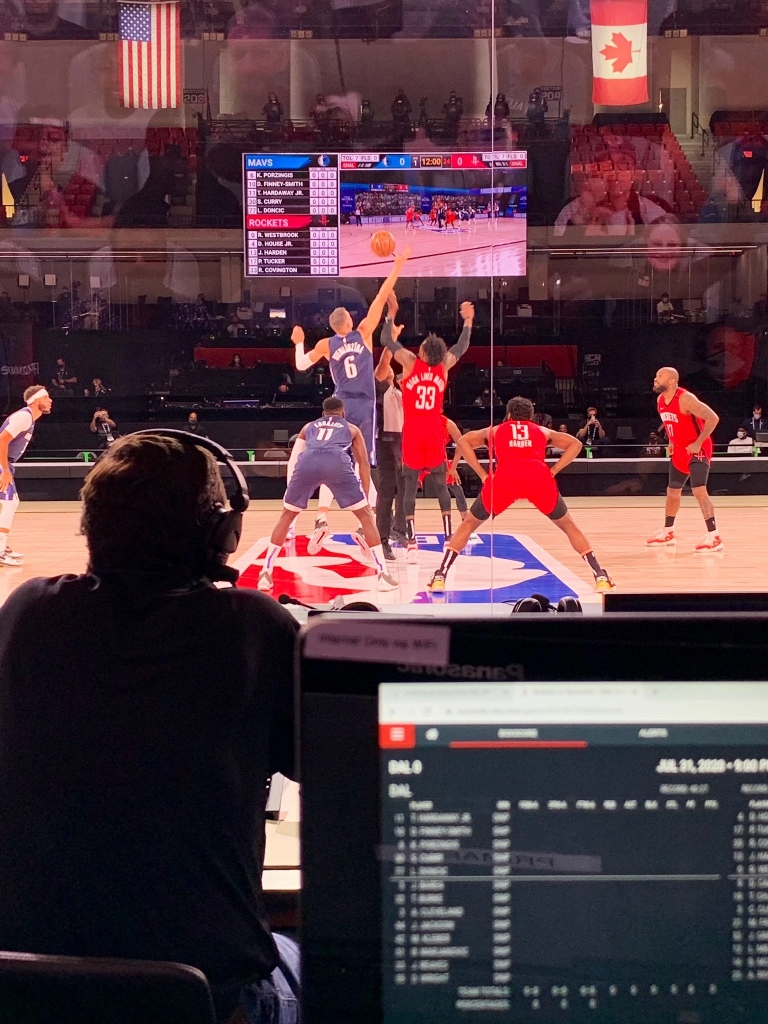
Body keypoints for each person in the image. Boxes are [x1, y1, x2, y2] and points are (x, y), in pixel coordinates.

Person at [0, 431, 300, 1024]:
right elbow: (333, 764)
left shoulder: (27, 612)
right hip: (205, 998)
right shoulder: (252, 628)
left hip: (31, 989)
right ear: (220, 533)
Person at [427, 396, 615, 594]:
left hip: (505, 479)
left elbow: (464, 441)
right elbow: (576, 444)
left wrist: (482, 473)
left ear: (508, 414)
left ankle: (440, 575)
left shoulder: (497, 430)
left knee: (468, 524)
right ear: (531, 417)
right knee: (568, 525)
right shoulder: (542, 430)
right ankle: (599, 576)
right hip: (538, 478)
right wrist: (554, 470)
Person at [291, 249, 411, 552]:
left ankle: (321, 519)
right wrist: (397, 265)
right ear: (351, 321)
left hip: (338, 402)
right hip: (363, 404)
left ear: (333, 326)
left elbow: (302, 366)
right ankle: (364, 522)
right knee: (362, 463)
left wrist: (298, 343)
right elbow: (383, 294)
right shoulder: (364, 332)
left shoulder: (324, 344)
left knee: (330, 456)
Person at [259, 397, 397, 593]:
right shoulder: (351, 429)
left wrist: (291, 490)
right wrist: (365, 496)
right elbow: (363, 464)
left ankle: (265, 573)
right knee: (365, 516)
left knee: (287, 515)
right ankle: (383, 575)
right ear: (342, 413)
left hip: (308, 462)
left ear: (323, 414)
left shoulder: (308, 427)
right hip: (336, 462)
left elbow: (294, 458)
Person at [384, 299, 475, 561]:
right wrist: (467, 319)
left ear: (423, 352)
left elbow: (387, 341)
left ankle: (412, 541)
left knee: (409, 486)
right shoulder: (443, 366)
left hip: (412, 430)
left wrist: (391, 316)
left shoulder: (411, 363)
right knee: (440, 483)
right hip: (434, 429)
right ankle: (448, 536)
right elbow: (462, 345)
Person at [647, 366, 722, 552]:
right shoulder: (660, 400)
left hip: (697, 448)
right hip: (680, 449)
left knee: (699, 491)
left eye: (660, 376)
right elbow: (669, 422)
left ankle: (714, 537)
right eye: (656, 375)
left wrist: (698, 443)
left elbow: (713, 418)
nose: (655, 379)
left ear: (672, 380)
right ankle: (668, 532)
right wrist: (671, 440)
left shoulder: (685, 398)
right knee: (672, 491)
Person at [0, 385, 53, 566]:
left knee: (8, 503)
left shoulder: (28, 418)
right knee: (9, 502)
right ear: (36, 400)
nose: (50, 400)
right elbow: (1, 440)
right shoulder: (24, 416)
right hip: (1, 462)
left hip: (5, 462)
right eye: (46, 397)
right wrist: (5, 470)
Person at [374, 322, 406, 561]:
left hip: (404, 440)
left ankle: (399, 529)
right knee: (386, 491)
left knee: (403, 490)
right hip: (386, 441)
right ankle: (382, 539)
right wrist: (391, 339)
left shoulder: (399, 391)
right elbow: (383, 364)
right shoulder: (380, 386)